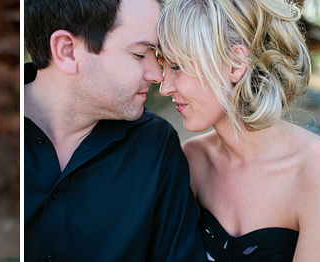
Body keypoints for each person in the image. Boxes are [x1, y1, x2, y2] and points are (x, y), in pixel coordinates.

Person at [157, 0, 320, 261]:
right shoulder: (193, 159)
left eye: (176, 66)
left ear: (235, 63)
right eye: (163, 67)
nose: (164, 88)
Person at [24, 0, 206, 261]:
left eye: (158, 57)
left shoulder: (156, 146)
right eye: (140, 54)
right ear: (67, 51)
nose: (157, 75)